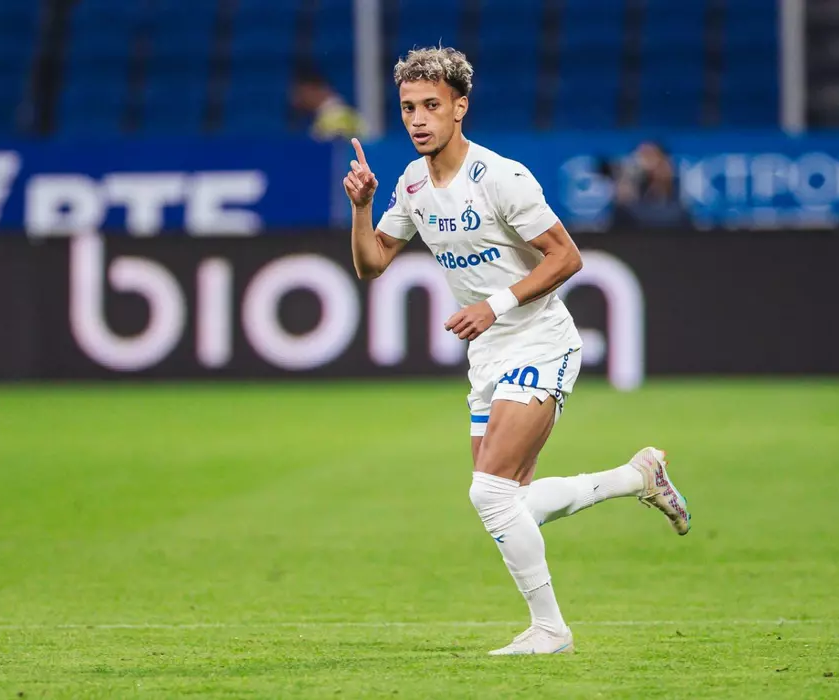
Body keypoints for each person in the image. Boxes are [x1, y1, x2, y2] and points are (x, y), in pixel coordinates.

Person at [343, 47, 691, 656]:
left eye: (431, 105)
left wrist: (494, 305)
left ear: (460, 107)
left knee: (489, 494)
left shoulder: (499, 177)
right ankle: (637, 476)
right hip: (488, 357)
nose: (418, 119)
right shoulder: (413, 183)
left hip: (540, 341)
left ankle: (550, 630)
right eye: (408, 108)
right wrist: (362, 206)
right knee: (510, 500)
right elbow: (371, 264)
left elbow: (567, 257)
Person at [291, 67, 367, 141]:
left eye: (301, 92)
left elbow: (337, 146)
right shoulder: (322, 115)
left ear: (314, 89)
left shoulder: (336, 116)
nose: (298, 98)